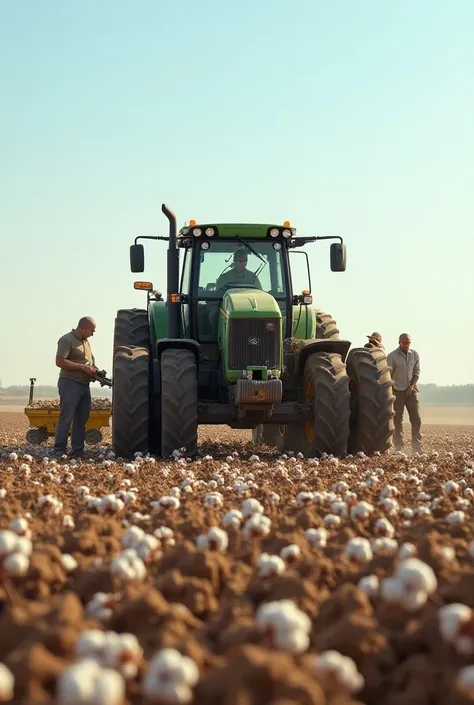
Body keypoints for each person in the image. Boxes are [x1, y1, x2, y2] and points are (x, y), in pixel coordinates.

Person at [52, 317, 98, 458]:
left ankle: (78, 450)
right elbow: (59, 361)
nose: (93, 334)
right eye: (92, 330)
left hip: (84, 385)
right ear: (83, 328)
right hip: (70, 383)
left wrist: (95, 371)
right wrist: (82, 367)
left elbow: (88, 362)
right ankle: (59, 449)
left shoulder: (86, 342)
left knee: (81, 419)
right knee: (66, 417)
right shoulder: (67, 339)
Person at [387, 333, 422, 453]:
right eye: (404, 343)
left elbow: (417, 372)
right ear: (399, 342)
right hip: (398, 391)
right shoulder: (392, 356)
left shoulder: (415, 355)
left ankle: (417, 446)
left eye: (408, 343)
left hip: (411, 391)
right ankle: (399, 446)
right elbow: (389, 375)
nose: (406, 345)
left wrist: (412, 386)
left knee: (416, 418)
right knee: (398, 420)